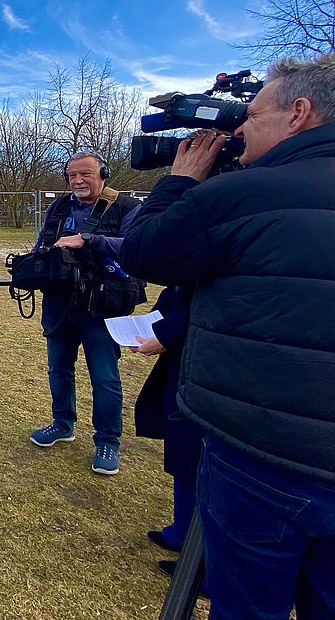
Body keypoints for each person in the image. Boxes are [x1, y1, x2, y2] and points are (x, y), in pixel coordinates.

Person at [120, 54, 335, 619]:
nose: (238, 131)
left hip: (265, 459)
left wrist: (179, 183)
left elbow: (144, 251)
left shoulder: (246, 194)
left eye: (252, 115)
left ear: (298, 114)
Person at [28, 152, 142, 476]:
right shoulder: (59, 207)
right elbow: (43, 246)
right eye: (72, 175)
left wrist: (89, 240)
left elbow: (134, 248)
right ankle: (62, 423)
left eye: (85, 175)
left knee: (104, 376)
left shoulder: (126, 206)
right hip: (60, 304)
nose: (77, 181)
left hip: (102, 307)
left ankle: (108, 440)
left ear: (103, 174)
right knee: (58, 369)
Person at [130, 285, 205, 576]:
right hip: (184, 357)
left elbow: (214, 307)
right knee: (183, 446)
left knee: (207, 460)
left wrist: (167, 333)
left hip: (210, 361)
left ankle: (205, 564)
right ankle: (182, 531)